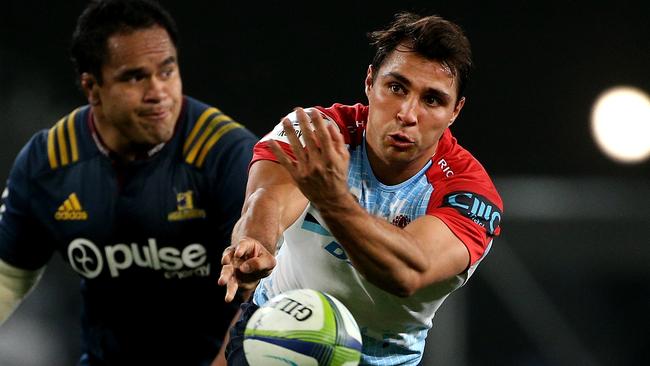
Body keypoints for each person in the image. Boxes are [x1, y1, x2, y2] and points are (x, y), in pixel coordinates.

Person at [218, 11, 503, 365]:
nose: (407, 113)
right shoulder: (316, 131)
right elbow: (267, 201)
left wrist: (333, 201)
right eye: (396, 88)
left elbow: (405, 273)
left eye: (432, 100)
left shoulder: (470, 193)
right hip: (278, 334)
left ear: (455, 111)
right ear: (370, 82)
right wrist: (255, 244)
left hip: (381, 359)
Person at [0, 0, 259, 365]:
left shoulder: (225, 154)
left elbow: (262, 293)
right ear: (92, 87)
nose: (159, 92)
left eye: (167, 72)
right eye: (136, 77)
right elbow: (8, 277)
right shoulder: (50, 160)